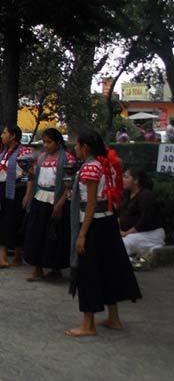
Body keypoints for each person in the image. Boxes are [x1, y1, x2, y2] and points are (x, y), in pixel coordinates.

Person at [65, 129, 141, 337]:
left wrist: (82, 234)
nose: (75, 149)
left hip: (94, 224)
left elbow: (90, 204)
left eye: (78, 146)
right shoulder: (107, 165)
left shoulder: (90, 167)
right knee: (109, 270)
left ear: (86, 148)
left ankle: (88, 324)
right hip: (107, 222)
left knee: (88, 272)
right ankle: (114, 318)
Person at [23, 129, 74, 281]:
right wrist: (28, 194)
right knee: (36, 233)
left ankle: (55, 269)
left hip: (56, 199)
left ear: (58, 142)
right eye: (44, 142)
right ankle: (38, 268)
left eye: (49, 142)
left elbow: (69, 184)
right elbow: (34, 179)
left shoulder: (67, 159)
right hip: (40, 198)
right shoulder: (41, 158)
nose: (46, 145)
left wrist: (60, 203)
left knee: (55, 236)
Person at [0, 127, 34, 269]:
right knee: (2, 220)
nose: (2, 136)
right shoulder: (4, 152)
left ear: (13, 136)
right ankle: (2, 257)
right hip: (3, 190)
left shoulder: (24, 152)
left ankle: (17, 254)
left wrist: (28, 194)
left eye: (4, 133)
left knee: (16, 221)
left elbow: (30, 175)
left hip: (17, 190)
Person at [119, 168, 165, 257]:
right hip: (130, 234)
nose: (122, 179)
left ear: (136, 180)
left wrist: (126, 233)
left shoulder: (146, 196)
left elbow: (144, 221)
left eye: (126, 177)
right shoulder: (126, 194)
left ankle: (154, 247)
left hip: (150, 234)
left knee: (123, 243)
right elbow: (119, 214)